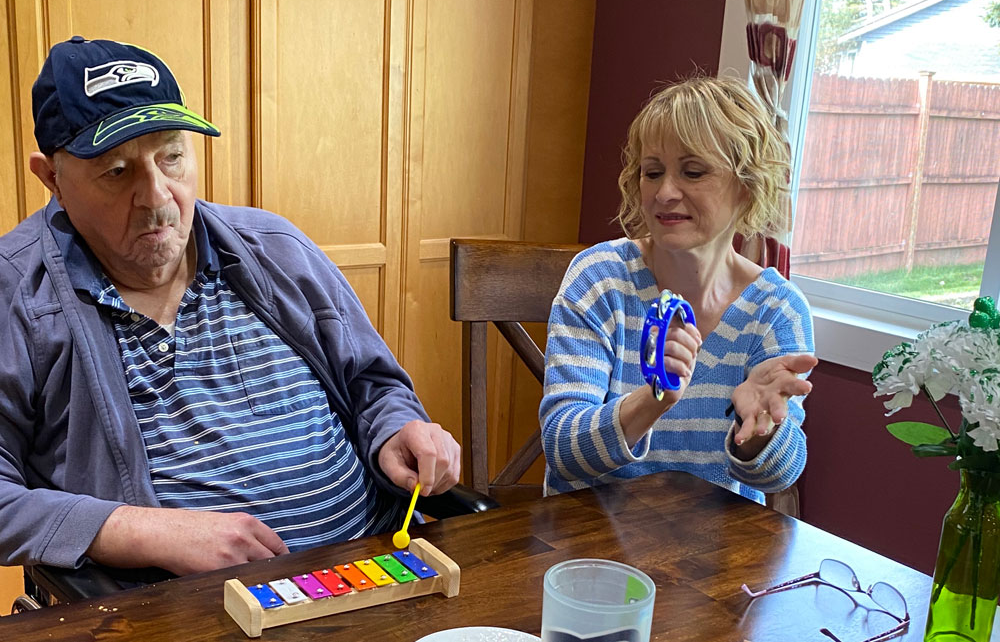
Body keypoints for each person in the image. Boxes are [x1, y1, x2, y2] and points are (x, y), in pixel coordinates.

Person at [0, 37, 460, 576]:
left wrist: (397, 429)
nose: (157, 197)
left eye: (171, 156)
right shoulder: (17, 293)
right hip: (189, 614)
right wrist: (137, 529)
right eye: (117, 172)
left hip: (378, 570)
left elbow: (373, 386)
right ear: (52, 177)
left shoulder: (276, 247)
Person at [539, 76, 816, 503]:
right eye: (652, 172)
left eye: (693, 171)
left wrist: (761, 428)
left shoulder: (777, 310)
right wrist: (653, 400)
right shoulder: (600, 279)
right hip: (590, 549)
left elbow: (779, 477)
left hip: (711, 558)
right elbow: (562, 450)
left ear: (747, 185)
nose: (665, 192)